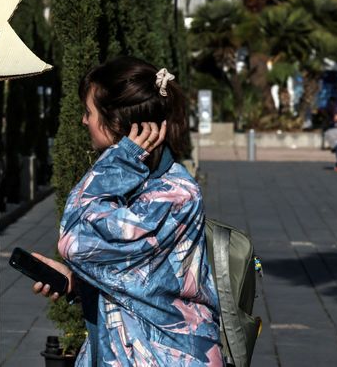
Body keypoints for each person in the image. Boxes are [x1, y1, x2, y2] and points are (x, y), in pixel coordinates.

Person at [30, 57, 222, 366]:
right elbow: (141, 282)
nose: (84, 121)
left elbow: (74, 239)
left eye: (89, 112)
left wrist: (119, 161)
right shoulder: (133, 186)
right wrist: (77, 282)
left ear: (118, 124)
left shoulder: (172, 195)